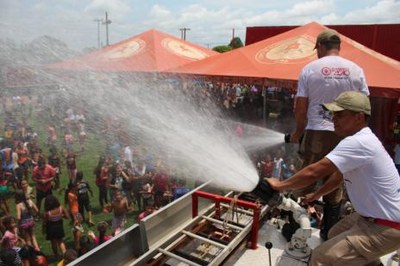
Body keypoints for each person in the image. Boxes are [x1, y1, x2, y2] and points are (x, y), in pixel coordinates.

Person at [267, 91, 400, 265]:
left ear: (359, 117)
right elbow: (338, 177)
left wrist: (280, 185)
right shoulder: (361, 140)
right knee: (334, 234)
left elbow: (314, 171)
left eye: (340, 115)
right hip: (373, 218)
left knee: (321, 258)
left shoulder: (358, 142)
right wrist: (316, 195)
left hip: (385, 226)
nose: (333, 119)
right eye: (333, 114)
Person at [289, 29, 370, 239]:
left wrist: (298, 131)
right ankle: (328, 234)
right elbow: (364, 106)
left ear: (322, 47)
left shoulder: (310, 69)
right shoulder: (357, 70)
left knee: (304, 179)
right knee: (335, 185)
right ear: (338, 47)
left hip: (317, 131)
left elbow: (301, 106)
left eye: (317, 49)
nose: (317, 53)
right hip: (345, 135)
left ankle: (293, 230)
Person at [43, 195, 68, 259]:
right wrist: (61, 216)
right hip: (59, 227)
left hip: (51, 228)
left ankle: (56, 255)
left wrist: (44, 229)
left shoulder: (47, 213)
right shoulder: (61, 208)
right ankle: (65, 255)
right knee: (60, 241)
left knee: (53, 242)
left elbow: (45, 222)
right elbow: (67, 216)